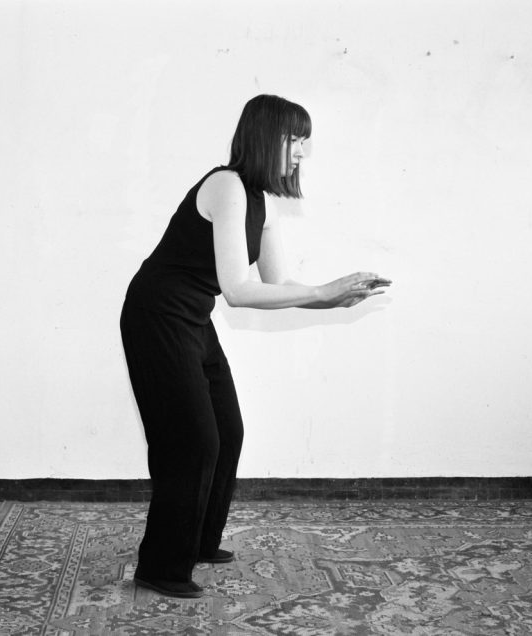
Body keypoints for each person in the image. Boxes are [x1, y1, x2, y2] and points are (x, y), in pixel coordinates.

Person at [120, 94, 390, 599]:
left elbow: (277, 283)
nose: (301, 152)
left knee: (228, 431)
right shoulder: (225, 185)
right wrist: (321, 293)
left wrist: (333, 297)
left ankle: (198, 542)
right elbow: (238, 291)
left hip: (192, 316)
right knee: (192, 440)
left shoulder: (261, 204)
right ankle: (160, 566)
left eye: (305, 142)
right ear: (265, 137)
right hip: (155, 314)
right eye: (295, 140)